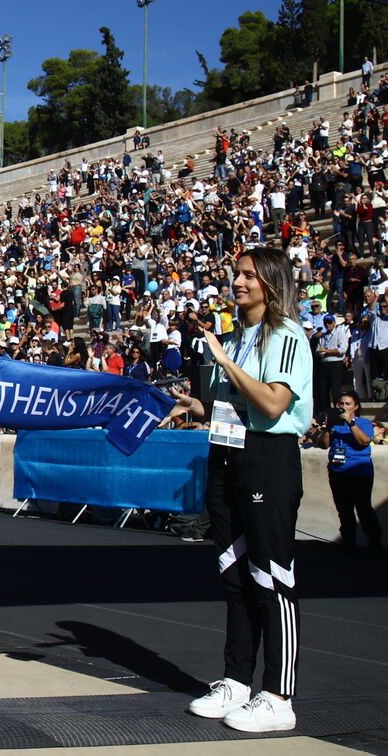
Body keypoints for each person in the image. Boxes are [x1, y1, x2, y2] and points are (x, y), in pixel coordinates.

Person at [168, 247, 312, 733]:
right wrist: (198, 405)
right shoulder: (242, 336)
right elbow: (238, 405)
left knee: (273, 577)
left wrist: (226, 363)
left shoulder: (285, 334)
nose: (239, 282)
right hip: (227, 456)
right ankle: (237, 680)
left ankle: (279, 695)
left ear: (271, 282)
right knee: (234, 572)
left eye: (250, 275)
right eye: (237, 274)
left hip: (267, 459)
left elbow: (272, 404)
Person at [315, 392, 383, 553]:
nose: (343, 407)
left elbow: (364, 441)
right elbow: (323, 445)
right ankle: (348, 541)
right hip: (337, 470)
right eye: (340, 403)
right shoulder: (335, 425)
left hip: (358, 471)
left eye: (347, 404)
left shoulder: (363, 423)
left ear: (356, 407)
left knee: (363, 507)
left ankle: (374, 542)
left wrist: (350, 422)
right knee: (343, 509)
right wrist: (327, 429)